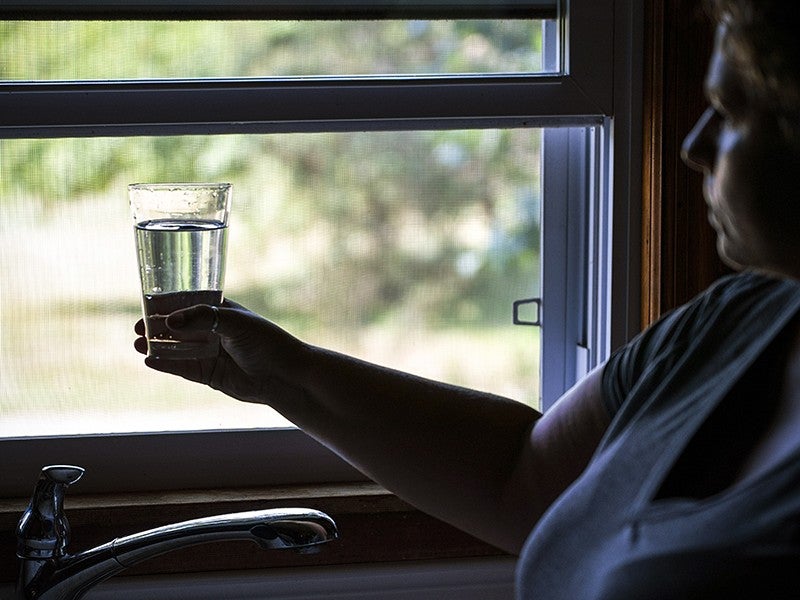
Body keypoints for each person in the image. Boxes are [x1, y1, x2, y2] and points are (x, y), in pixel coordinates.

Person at [135, 0, 800, 596]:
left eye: (735, 110)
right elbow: (524, 478)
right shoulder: (736, 319)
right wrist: (289, 375)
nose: (693, 146)